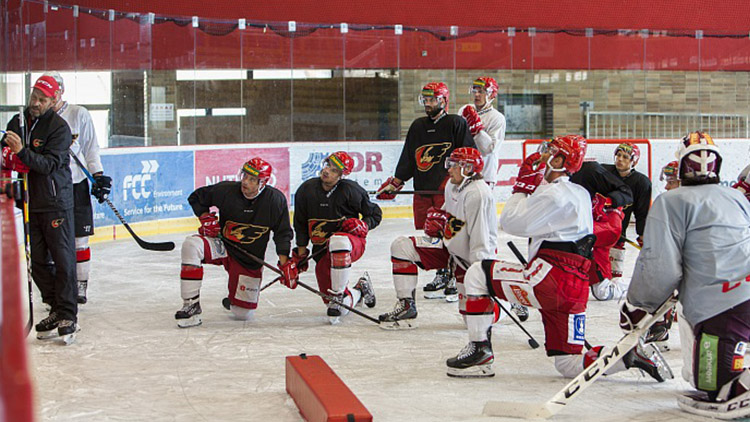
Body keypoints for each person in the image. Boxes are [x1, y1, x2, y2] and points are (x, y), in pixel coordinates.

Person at [446, 135, 670, 382]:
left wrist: (522, 187)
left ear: (562, 159)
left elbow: (510, 222)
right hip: (574, 291)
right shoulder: (580, 193)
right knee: (569, 363)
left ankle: (480, 351)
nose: (543, 155)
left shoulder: (554, 195)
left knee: (477, 273)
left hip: (548, 281)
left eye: (549, 151)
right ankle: (628, 355)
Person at [620, 132, 750, 419]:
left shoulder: (671, 202)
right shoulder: (736, 197)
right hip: (741, 294)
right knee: (703, 380)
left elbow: (659, 264)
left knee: (718, 390)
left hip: (720, 305)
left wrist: (638, 306)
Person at [378, 147, 499, 329]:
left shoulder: (478, 194)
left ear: (468, 168)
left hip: (472, 258)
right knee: (401, 246)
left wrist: (479, 274)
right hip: (449, 248)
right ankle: (406, 306)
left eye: (454, 165)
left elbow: (480, 238)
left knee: (474, 319)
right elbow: (449, 214)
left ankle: (505, 303)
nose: (448, 169)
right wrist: (439, 220)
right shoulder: (453, 184)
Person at [376, 82, 475, 301]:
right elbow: (409, 159)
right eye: (425, 100)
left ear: (443, 100)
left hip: (446, 189)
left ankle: (453, 274)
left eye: (431, 100)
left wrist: (461, 184)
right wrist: (396, 182)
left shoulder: (455, 123)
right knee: (431, 233)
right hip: (422, 189)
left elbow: (468, 155)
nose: (427, 104)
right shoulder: (418, 126)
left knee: (449, 233)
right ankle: (442, 272)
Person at [2, 75, 79, 342]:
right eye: (34, 96)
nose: (35, 103)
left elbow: (47, 165)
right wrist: (9, 156)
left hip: (55, 203)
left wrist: (22, 153)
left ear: (54, 100)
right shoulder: (19, 121)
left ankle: (68, 312)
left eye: (42, 99)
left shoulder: (60, 129)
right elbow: (5, 150)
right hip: (29, 203)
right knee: (36, 262)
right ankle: (55, 307)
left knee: (63, 259)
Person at [175, 158, 293, 328]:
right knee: (191, 245)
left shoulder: (275, 200)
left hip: (249, 259)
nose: (245, 182)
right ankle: (191, 305)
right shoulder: (226, 190)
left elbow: (283, 233)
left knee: (243, 314)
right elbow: (196, 197)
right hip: (223, 246)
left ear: (263, 183)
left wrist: (284, 263)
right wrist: (204, 216)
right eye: (245, 176)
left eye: (252, 179)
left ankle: (235, 300)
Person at [44, 71, 112, 304]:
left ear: (60, 91)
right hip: (50, 188)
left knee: (79, 240)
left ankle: (80, 287)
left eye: (51, 93)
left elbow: (91, 148)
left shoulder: (78, 113)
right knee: (52, 241)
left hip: (76, 184)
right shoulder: (39, 118)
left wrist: (98, 176)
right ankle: (56, 289)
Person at [289, 151, 380, 324]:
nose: (327, 171)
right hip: (321, 252)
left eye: (334, 170)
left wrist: (364, 225)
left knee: (338, 240)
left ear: (341, 175)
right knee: (339, 307)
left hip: (351, 244)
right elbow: (300, 224)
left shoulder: (352, 191)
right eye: (327, 165)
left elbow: (375, 213)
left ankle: (338, 295)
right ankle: (360, 289)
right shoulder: (306, 190)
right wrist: (301, 254)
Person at [569, 156, 633, 301]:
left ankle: (641, 285)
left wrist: (606, 204)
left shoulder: (589, 170)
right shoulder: (549, 175)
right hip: (591, 225)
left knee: (602, 292)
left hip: (606, 222)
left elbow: (626, 193)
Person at [604, 142, 652, 287]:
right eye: (618, 155)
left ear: (633, 161)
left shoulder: (642, 182)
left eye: (625, 157)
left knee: (614, 278)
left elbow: (641, 212)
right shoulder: (603, 172)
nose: (620, 159)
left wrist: (642, 234)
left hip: (618, 230)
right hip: (597, 224)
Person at [457, 77, 506, 190]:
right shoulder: (464, 110)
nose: (477, 95)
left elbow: (490, 149)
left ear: (491, 95)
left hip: (485, 175)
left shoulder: (497, 118)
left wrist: (477, 130)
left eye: (481, 92)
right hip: (463, 172)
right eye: (475, 91)